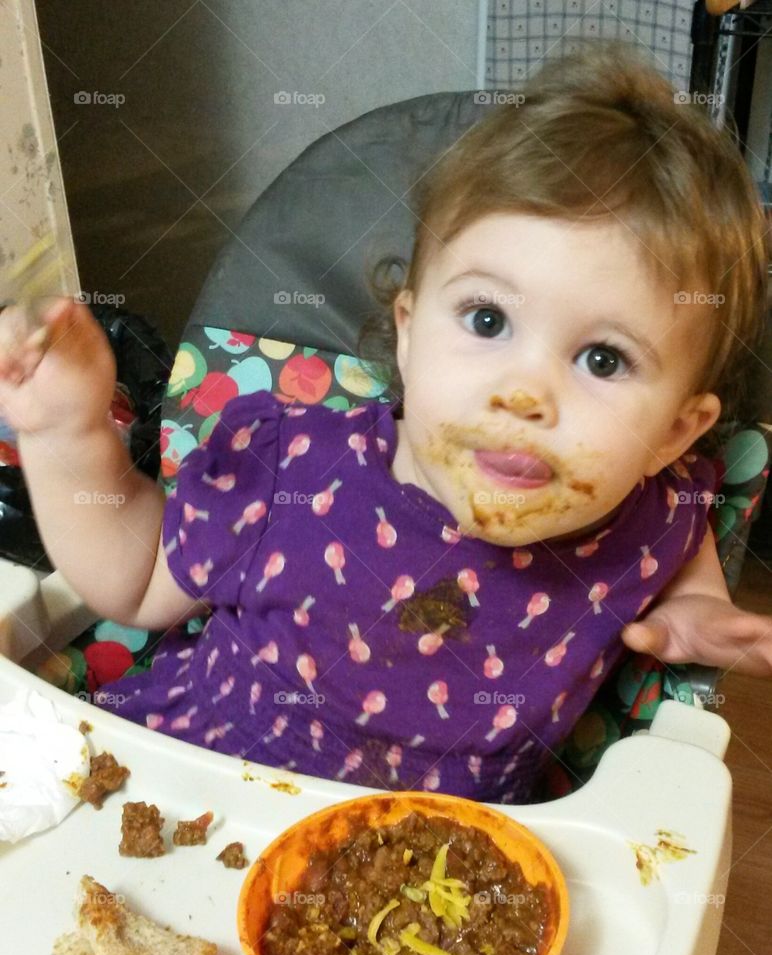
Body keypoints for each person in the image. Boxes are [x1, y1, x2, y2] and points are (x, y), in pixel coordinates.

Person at [0, 43, 769, 802]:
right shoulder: (291, 469)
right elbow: (133, 585)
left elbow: (681, 530)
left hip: (436, 885)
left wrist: (697, 610)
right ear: (407, 329)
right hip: (179, 801)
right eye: (488, 318)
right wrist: (67, 435)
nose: (523, 394)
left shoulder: (648, 513)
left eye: (603, 360)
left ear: (674, 432)